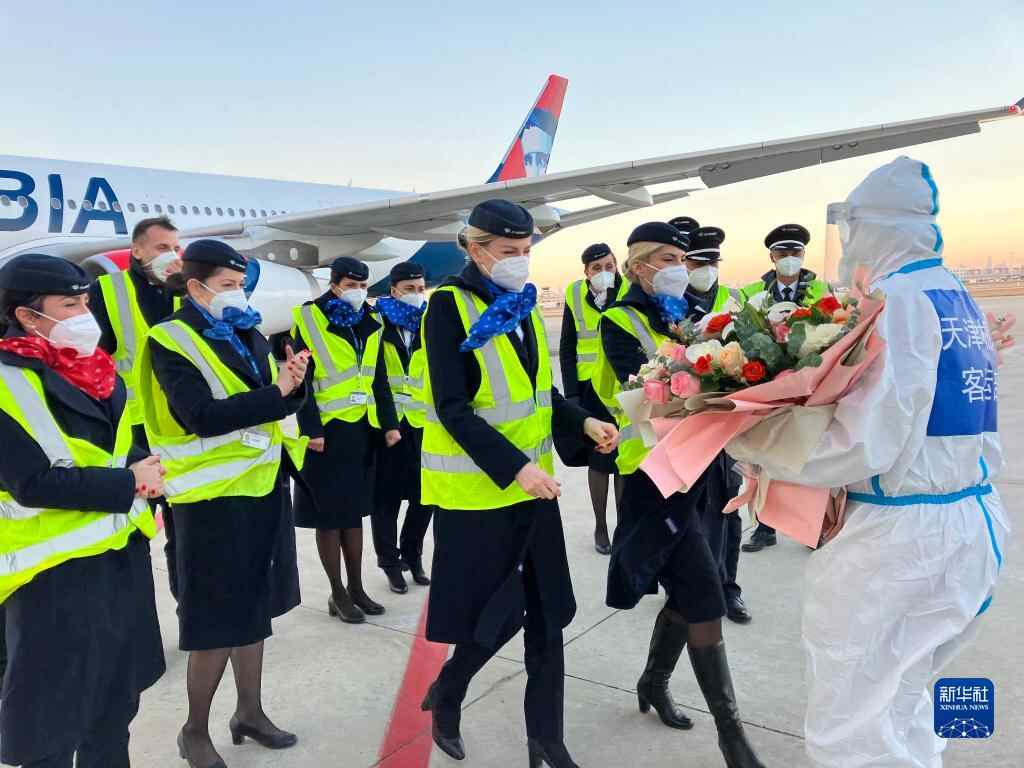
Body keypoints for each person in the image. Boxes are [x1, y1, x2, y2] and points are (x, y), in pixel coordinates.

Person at [737, 156, 1007, 768]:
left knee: (852, 721)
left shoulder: (901, 299)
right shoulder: (953, 291)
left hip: (900, 542)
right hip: (966, 524)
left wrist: (757, 446)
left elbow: (867, 443)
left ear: (878, 229)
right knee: (906, 700)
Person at [420, 200, 618, 768]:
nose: (520, 262)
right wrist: (516, 468)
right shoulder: (447, 307)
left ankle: (546, 741)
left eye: (526, 251)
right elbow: (452, 408)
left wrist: (581, 420)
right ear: (474, 248)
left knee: (548, 613)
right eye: (509, 251)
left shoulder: (523, 304)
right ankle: (450, 693)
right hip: (479, 496)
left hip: (535, 493)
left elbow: (538, 392)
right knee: (493, 616)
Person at [595, 222, 764, 767]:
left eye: (681, 259)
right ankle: (732, 738)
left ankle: (653, 679)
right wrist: (712, 376)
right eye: (667, 258)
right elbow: (650, 389)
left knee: (691, 589)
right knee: (705, 595)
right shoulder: (618, 320)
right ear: (639, 265)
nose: (678, 268)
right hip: (656, 478)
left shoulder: (686, 314)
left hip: (703, 471)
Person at [136, 239, 308, 768]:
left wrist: (294, 384)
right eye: (228, 285)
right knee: (215, 621)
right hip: (209, 501)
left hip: (260, 488)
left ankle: (249, 712)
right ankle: (194, 731)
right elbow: (201, 417)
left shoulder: (246, 330)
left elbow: (273, 400)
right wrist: (276, 393)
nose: (238, 294)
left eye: (241, 285)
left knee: (253, 609)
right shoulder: (170, 339)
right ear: (196, 286)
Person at [0, 253, 165, 768]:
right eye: (69, 305)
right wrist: (129, 482)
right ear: (27, 315)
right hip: (52, 576)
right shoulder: (7, 381)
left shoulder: (100, 370)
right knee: (51, 721)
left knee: (114, 708)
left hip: (120, 561)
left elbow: (123, 445)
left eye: (86, 303)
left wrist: (144, 471)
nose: (85, 316)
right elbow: (31, 482)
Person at [291, 256, 398, 622]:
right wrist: (311, 429)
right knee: (329, 516)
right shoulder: (310, 317)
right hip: (326, 431)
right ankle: (337, 592)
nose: (358, 292)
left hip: (362, 429)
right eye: (352, 285)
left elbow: (378, 376)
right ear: (335, 284)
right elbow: (302, 380)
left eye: (363, 286)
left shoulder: (372, 319)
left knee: (353, 514)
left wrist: (389, 423)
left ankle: (356, 588)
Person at [89, 216, 183, 596]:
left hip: (180, 427)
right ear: (137, 249)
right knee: (134, 528)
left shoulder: (185, 290)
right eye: (162, 248)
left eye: (175, 248)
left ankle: (186, 603)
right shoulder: (107, 290)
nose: (171, 255)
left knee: (184, 529)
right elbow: (92, 362)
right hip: (133, 432)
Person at [738, 223, 829, 554]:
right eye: (783, 252)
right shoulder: (751, 292)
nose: (789, 258)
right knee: (764, 458)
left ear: (802, 255)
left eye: (795, 252)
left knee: (810, 457)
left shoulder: (820, 288)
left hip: (811, 383)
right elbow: (741, 331)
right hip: (767, 382)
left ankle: (812, 527)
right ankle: (765, 527)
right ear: (772, 256)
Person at [682, 225, 750, 625]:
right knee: (689, 511)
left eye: (712, 262)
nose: (706, 270)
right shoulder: (668, 303)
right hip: (685, 424)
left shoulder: (733, 299)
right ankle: (689, 587)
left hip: (728, 422)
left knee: (728, 505)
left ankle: (728, 587)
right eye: (697, 263)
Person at [558, 242, 630, 555]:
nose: (604, 272)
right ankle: (601, 526)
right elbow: (567, 346)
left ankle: (624, 524)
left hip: (624, 386)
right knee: (599, 459)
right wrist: (572, 395)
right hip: (590, 389)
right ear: (586, 272)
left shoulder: (628, 290)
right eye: (596, 268)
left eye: (609, 266)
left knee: (624, 458)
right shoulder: (574, 294)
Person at [370, 262, 433, 593]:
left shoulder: (429, 322)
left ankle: (413, 553)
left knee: (425, 496)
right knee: (387, 499)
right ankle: (390, 562)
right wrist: (387, 422)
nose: (417, 294)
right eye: (410, 289)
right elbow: (373, 375)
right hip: (389, 423)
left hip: (423, 421)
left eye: (421, 288)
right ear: (394, 290)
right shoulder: (376, 324)